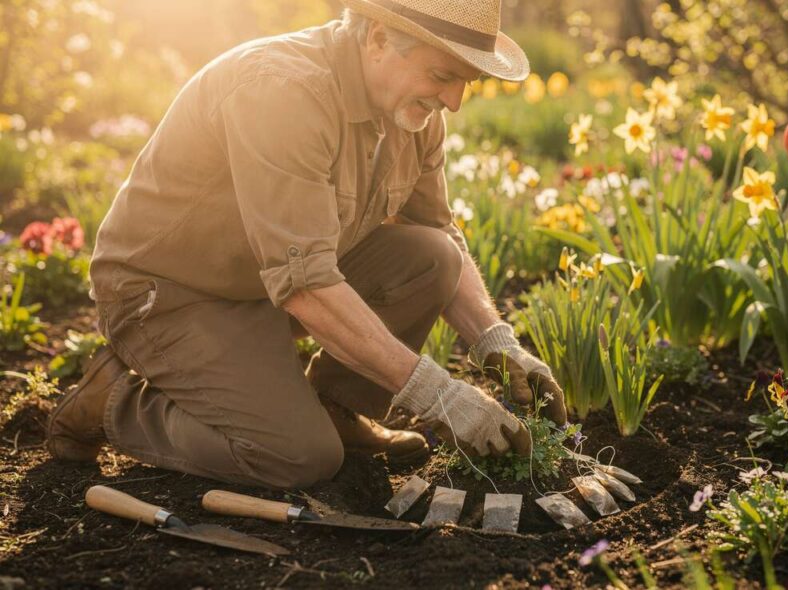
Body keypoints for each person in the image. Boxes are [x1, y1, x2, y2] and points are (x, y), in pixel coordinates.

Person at [46, 0, 567, 489]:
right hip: (169, 292)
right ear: (380, 38)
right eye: (443, 75)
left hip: (260, 282)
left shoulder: (414, 112)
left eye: (466, 82)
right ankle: (111, 402)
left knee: (433, 257)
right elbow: (308, 287)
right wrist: (440, 395)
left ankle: (335, 407)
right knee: (298, 456)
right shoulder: (283, 93)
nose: (453, 101)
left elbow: (439, 233)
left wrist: (499, 345)